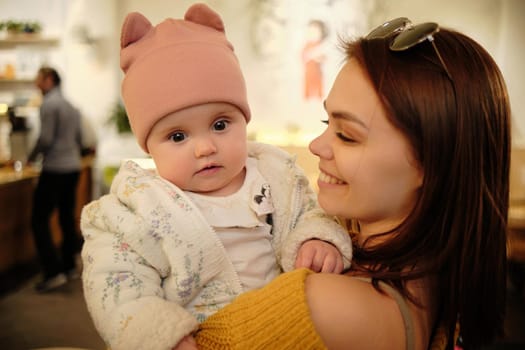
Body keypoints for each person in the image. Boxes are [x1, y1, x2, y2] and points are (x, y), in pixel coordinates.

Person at [194, 17, 510, 350]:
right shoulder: (428, 278)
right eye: (326, 121)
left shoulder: (327, 304)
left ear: (430, 165)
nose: (317, 145)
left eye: (347, 135)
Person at [80, 4, 353, 350]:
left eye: (220, 125)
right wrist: (159, 335)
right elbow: (117, 284)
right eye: (178, 136)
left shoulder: (277, 177)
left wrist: (317, 240)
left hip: (283, 329)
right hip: (201, 338)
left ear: (244, 121)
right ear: (149, 147)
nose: (205, 147)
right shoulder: (135, 209)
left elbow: (310, 214)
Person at [28, 66, 83, 293]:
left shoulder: (49, 104)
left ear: (49, 79)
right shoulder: (71, 106)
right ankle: (69, 266)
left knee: (38, 220)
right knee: (66, 216)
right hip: (72, 167)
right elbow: (79, 139)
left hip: (55, 168)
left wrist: (29, 158)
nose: (36, 84)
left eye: (38, 79)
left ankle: (53, 272)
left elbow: (46, 138)